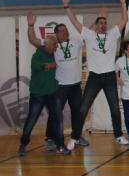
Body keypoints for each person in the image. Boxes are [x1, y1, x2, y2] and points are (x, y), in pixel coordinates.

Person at [62, 0, 129, 149]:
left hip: (109, 76)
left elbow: (125, 19)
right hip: (94, 77)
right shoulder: (89, 35)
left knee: (114, 107)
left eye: (105, 23)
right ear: (96, 25)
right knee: (83, 107)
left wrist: (123, 2)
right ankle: (75, 137)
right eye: (101, 23)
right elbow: (74, 22)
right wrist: (66, 5)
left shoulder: (113, 35)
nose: (104, 25)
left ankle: (119, 135)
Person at [27, 13, 89, 151]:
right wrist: (31, 26)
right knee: (56, 114)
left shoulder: (75, 41)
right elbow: (34, 40)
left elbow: (88, 33)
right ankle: (50, 138)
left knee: (77, 112)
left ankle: (76, 136)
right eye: (61, 31)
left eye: (66, 29)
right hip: (59, 86)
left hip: (75, 85)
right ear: (56, 34)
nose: (65, 32)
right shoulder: (52, 45)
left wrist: (98, 20)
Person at [17, 36, 70, 156]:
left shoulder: (55, 54)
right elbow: (43, 66)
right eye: (54, 45)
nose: (56, 46)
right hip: (38, 95)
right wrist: (51, 65)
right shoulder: (37, 55)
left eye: (56, 45)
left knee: (58, 120)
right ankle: (23, 144)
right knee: (31, 120)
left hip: (53, 93)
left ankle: (60, 145)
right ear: (47, 45)